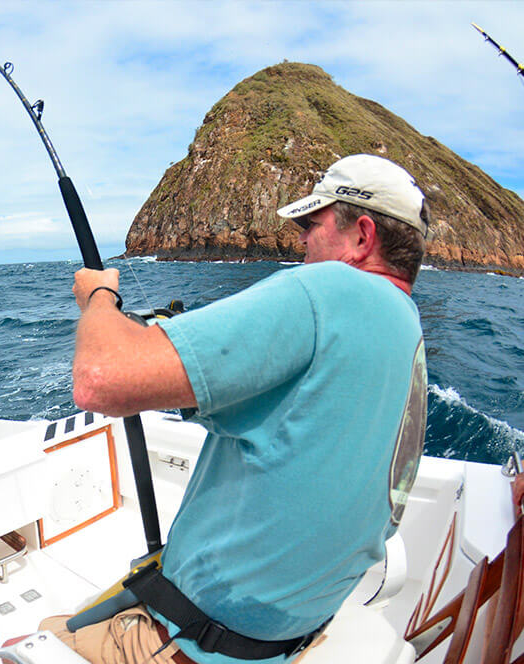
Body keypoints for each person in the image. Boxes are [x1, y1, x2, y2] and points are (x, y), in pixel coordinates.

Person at [46, 154, 431, 664]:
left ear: (362, 236)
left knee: (23, 644)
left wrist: (97, 297)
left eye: (311, 224)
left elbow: (100, 380)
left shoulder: (330, 288)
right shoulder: (405, 329)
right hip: (287, 636)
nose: (300, 240)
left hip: (193, 643)